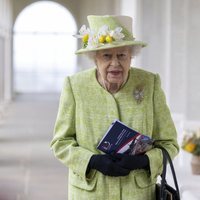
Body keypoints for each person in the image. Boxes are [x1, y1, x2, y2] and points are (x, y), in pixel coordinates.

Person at [50, 15, 179, 200]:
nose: (115, 63)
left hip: (138, 194)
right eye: (107, 56)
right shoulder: (75, 86)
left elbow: (170, 144)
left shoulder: (149, 83)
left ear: (131, 57)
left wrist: (144, 162)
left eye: (122, 55)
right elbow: (60, 143)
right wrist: (93, 161)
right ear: (95, 58)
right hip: (89, 194)